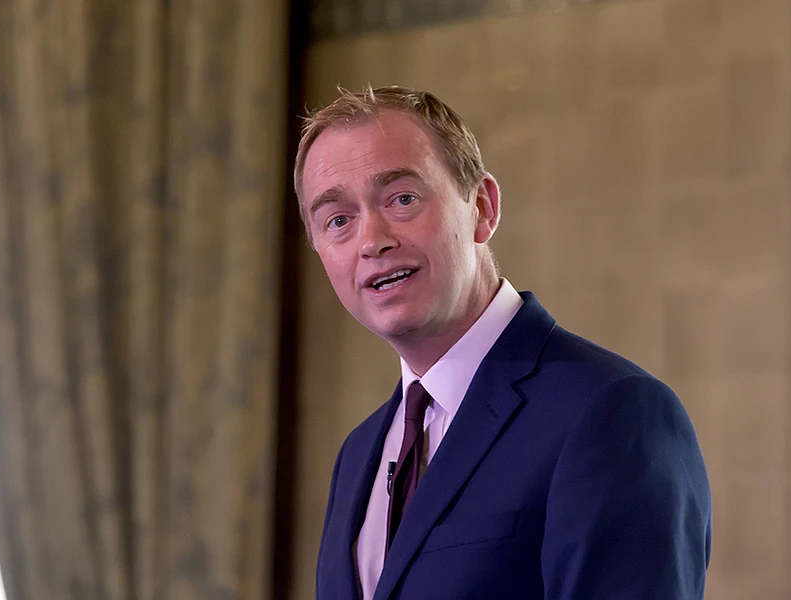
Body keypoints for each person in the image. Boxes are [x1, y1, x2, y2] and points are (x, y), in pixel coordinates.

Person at [294, 85, 712, 600]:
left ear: (483, 207)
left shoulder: (614, 412)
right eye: (338, 220)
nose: (371, 241)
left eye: (402, 199)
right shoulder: (358, 454)